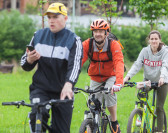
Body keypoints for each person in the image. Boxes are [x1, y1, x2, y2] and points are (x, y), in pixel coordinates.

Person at [20, 2, 82, 133]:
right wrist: (29, 60)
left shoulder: (74, 40)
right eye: (49, 17)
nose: (51, 21)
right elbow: (24, 64)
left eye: (55, 17)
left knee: (61, 130)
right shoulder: (38, 35)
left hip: (63, 90)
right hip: (40, 89)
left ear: (65, 18)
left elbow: (75, 66)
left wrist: (69, 84)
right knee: (37, 115)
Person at [82, 18, 124, 133]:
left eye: (101, 31)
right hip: (95, 77)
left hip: (111, 75)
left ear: (106, 33)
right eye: (95, 31)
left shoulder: (113, 45)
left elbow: (119, 63)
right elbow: (78, 61)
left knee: (109, 94)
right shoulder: (87, 44)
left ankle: (114, 121)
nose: (98, 34)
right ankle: (92, 124)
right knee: (93, 103)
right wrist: (68, 80)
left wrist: (119, 82)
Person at [124, 30, 168, 133]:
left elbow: (165, 65)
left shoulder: (165, 51)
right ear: (149, 40)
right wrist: (127, 77)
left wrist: (162, 77)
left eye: (156, 39)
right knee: (142, 94)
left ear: (159, 40)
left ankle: (159, 130)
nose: (154, 41)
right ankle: (140, 114)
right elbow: (137, 64)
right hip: (148, 80)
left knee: (159, 107)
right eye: (152, 39)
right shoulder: (145, 51)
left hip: (162, 82)